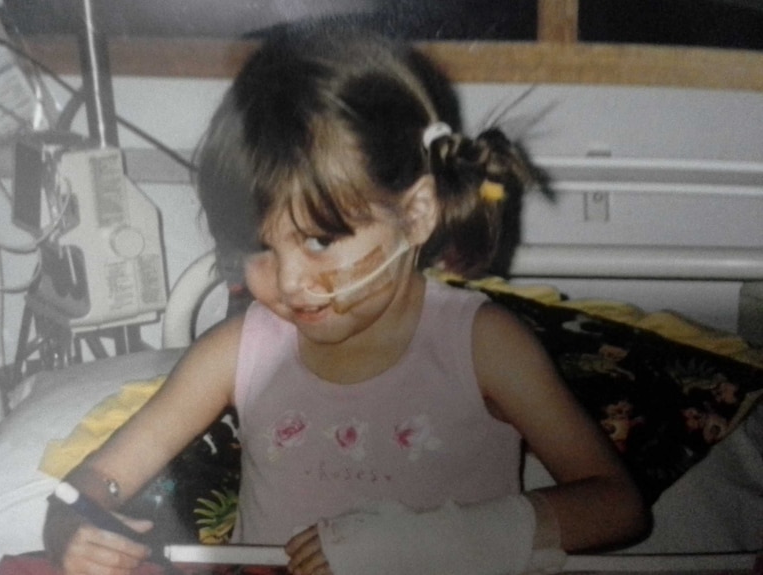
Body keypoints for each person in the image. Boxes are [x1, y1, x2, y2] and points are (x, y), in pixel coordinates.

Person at [43, 23, 649, 575]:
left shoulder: (480, 345)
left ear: (414, 215)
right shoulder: (237, 352)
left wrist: (443, 540)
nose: (289, 282)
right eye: (260, 250)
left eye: (320, 241)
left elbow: (617, 505)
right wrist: (73, 526)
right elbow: (91, 484)